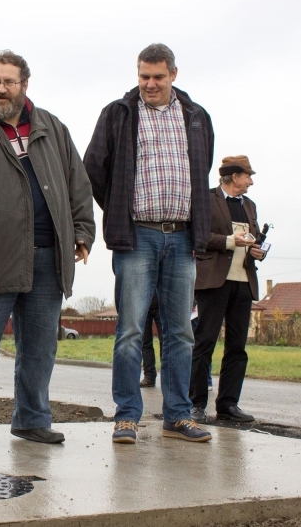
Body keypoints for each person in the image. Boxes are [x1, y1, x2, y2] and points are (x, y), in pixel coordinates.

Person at [0, 50, 95, 447]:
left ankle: (32, 419)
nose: (0, 88)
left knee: (40, 347)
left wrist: (82, 231)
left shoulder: (53, 127)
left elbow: (77, 183)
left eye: (8, 81)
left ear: (24, 85)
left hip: (49, 255)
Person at [84, 43, 213, 444]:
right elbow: (93, 169)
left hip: (182, 236)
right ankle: (127, 416)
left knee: (180, 332)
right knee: (130, 330)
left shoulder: (196, 117)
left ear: (174, 74)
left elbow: (202, 169)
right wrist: (120, 208)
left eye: (158, 77)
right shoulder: (119, 114)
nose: (150, 84)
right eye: (144, 76)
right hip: (136, 236)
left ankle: (177, 415)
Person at [189, 156, 266, 424]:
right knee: (204, 343)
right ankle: (196, 404)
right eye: (248, 175)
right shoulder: (206, 199)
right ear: (234, 177)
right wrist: (229, 241)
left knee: (237, 346)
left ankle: (229, 404)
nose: (251, 181)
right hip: (213, 282)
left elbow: (253, 238)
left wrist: (257, 251)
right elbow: (197, 237)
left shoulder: (250, 206)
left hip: (244, 281)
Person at [140, 294, 162, 387]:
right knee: (145, 343)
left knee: (166, 343)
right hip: (143, 304)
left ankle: (168, 376)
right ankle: (149, 376)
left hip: (162, 303)